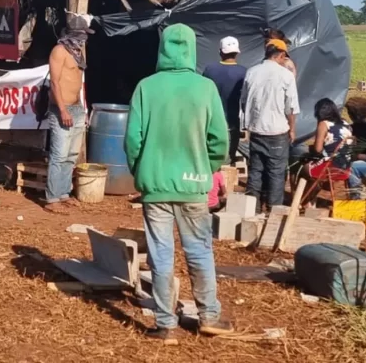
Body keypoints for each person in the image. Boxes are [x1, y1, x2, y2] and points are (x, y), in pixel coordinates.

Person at [125, 24, 233, 342]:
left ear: (163, 49)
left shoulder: (146, 87)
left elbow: (133, 139)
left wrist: (141, 171)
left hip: (154, 185)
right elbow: (219, 141)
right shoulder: (205, 88)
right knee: (199, 251)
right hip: (194, 184)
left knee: (160, 254)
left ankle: (165, 326)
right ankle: (209, 317)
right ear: (192, 49)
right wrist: (206, 166)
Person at [240, 40, 299, 211]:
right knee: (276, 172)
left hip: (257, 130)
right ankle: (274, 210)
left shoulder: (251, 72)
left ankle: (252, 209)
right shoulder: (285, 75)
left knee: (256, 170)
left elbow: (244, 101)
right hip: (277, 131)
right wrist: (292, 129)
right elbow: (291, 107)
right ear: (280, 55)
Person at [43, 12, 92, 214]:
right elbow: (54, 83)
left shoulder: (79, 52)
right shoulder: (59, 51)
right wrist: (62, 110)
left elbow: (79, 83)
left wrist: (83, 108)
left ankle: (63, 194)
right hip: (61, 109)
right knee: (59, 154)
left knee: (71, 155)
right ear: (74, 33)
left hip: (77, 108)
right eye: (82, 34)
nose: (85, 38)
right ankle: (52, 198)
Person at [202, 36, 247, 163]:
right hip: (232, 123)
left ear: (221, 52)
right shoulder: (243, 72)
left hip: (210, 120)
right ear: (237, 52)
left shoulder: (210, 70)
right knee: (227, 159)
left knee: (209, 157)